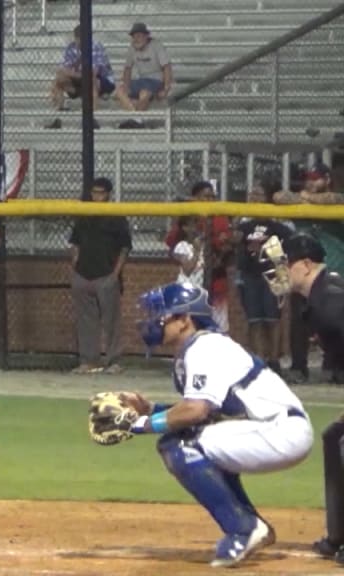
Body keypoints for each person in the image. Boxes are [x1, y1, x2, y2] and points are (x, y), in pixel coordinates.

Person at [125, 282, 312, 568]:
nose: (154, 321)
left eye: (162, 314)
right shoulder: (195, 349)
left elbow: (196, 411)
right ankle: (251, 524)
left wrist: (140, 424)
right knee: (187, 438)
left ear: (185, 320)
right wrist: (150, 410)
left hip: (280, 431)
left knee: (182, 445)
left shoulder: (205, 347)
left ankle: (243, 529)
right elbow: (203, 413)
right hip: (270, 428)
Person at [260, 233, 344, 566]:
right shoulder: (320, 296)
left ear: (306, 265)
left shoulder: (331, 301)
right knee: (334, 437)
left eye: (286, 264)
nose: (280, 271)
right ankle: (338, 536)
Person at [273, 162, 342, 383]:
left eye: (317, 178)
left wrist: (308, 198)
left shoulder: (334, 203)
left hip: (334, 272)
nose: (311, 183)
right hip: (303, 276)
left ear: (327, 179)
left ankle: (336, 367)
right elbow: (279, 196)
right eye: (308, 179)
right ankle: (299, 367)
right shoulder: (300, 207)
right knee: (299, 322)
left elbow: (337, 199)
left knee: (334, 323)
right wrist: (303, 198)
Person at [68, 177, 132, 374]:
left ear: (108, 194)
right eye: (95, 192)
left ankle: (114, 361)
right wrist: (75, 266)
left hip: (106, 275)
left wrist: (115, 274)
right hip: (83, 274)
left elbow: (125, 248)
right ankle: (89, 360)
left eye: (101, 193)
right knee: (86, 321)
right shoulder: (83, 214)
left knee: (111, 320)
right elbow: (75, 243)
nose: (97, 196)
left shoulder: (116, 216)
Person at [235, 182, 293, 373]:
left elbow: (285, 251)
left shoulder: (278, 226)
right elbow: (235, 247)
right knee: (255, 320)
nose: (255, 199)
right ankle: (259, 360)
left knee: (273, 319)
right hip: (250, 276)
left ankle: (274, 360)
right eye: (252, 195)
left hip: (272, 275)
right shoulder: (243, 226)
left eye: (259, 195)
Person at [165, 181, 232, 331]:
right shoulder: (189, 218)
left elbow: (227, 245)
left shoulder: (219, 217)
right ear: (194, 198)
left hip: (216, 278)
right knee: (192, 325)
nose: (209, 200)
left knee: (218, 324)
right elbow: (172, 245)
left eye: (212, 197)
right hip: (194, 282)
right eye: (205, 197)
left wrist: (223, 249)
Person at [46, 25, 115, 129]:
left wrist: (73, 73)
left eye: (82, 38)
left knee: (92, 80)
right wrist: (75, 74)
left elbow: (94, 71)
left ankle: (93, 115)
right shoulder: (71, 47)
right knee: (59, 79)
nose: (80, 41)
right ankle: (58, 112)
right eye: (78, 38)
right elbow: (63, 70)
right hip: (80, 79)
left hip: (102, 81)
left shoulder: (96, 46)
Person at [114, 22, 173, 129]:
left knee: (144, 94)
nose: (136, 39)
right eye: (134, 36)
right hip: (141, 80)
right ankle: (137, 118)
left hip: (155, 80)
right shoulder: (132, 48)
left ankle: (134, 119)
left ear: (146, 36)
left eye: (139, 36)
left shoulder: (157, 46)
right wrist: (126, 86)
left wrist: (166, 88)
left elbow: (166, 67)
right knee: (119, 91)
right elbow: (127, 68)